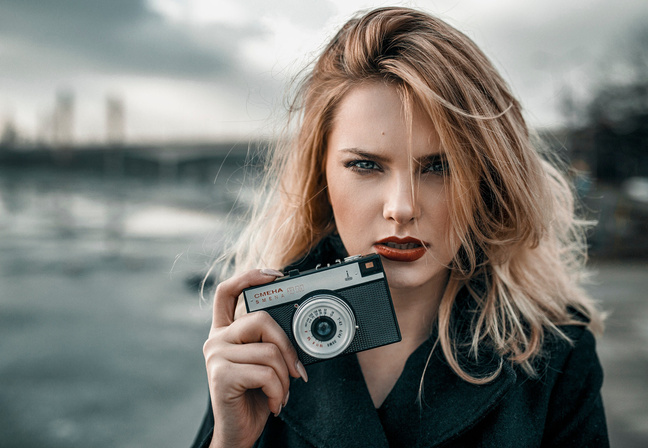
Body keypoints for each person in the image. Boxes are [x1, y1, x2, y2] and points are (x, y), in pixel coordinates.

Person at [192, 6, 608, 448]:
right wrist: (230, 441)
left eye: (440, 166)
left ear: (486, 177)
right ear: (322, 175)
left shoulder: (556, 356)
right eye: (366, 165)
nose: (402, 208)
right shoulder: (262, 339)